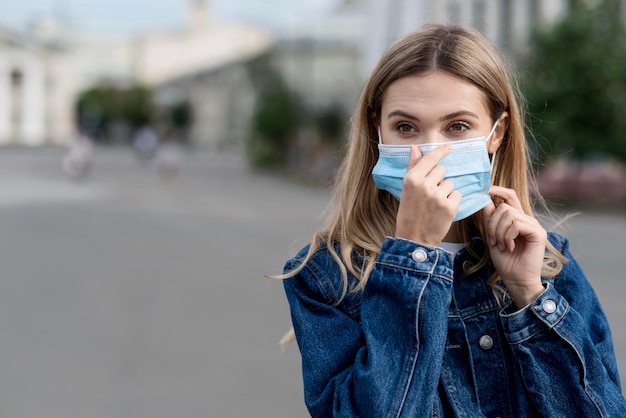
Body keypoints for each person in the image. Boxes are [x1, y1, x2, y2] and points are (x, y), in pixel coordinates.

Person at [277, 24, 626, 417]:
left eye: (457, 126)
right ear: (378, 130)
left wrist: (529, 293)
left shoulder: (547, 264)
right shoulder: (326, 276)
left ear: (497, 132)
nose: (431, 150)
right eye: (405, 127)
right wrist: (413, 255)